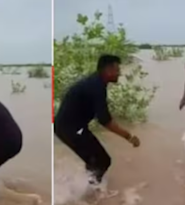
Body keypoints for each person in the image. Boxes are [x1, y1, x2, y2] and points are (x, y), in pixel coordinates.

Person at [54, 54, 140, 188]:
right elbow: (104, 120)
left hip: (72, 127)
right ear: (108, 70)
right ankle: (90, 191)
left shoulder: (96, 83)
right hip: (69, 129)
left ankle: (84, 190)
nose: (120, 73)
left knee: (96, 161)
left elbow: (103, 116)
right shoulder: (96, 87)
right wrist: (129, 137)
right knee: (102, 161)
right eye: (117, 69)